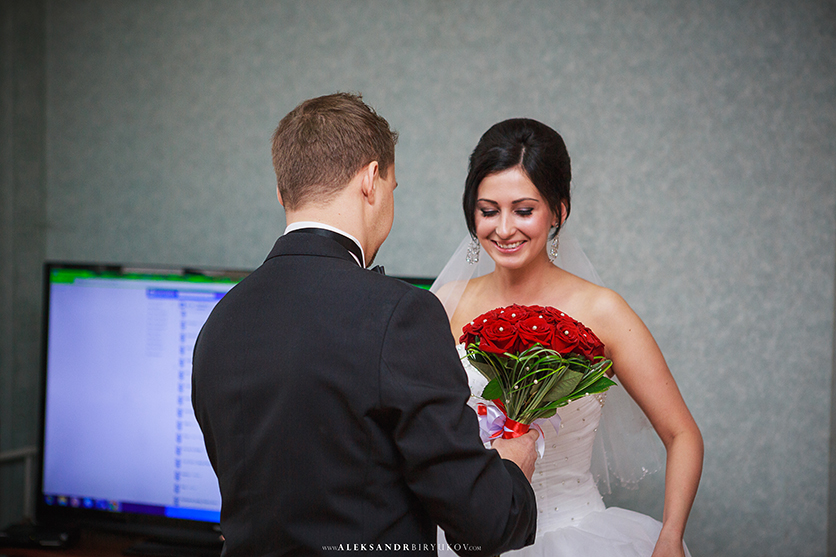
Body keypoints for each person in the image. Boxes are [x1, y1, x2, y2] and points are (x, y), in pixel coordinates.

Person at [191, 94, 541, 556]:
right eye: (393, 187)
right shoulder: (400, 315)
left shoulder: (220, 321)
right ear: (372, 181)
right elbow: (483, 526)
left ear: (282, 193)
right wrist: (512, 471)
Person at [432, 118, 704, 557]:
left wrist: (670, 537)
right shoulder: (445, 306)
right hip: (470, 538)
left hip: (575, 534)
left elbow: (682, 433)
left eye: (523, 210)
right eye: (488, 210)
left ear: (559, 210)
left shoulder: (603, 311)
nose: (503, 229)